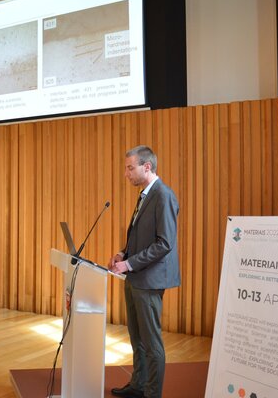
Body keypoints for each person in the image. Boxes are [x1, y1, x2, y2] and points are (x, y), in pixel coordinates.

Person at [108, 145, 180, 398]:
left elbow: (164, 243)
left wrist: (129, 265)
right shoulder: (145, 195)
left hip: (149, 280)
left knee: (151, 342)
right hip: (136, 277)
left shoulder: (163, 195)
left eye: (130, 168)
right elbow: (141, 237)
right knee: (136, 337)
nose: (126, 174)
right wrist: (123, 253)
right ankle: (138, 385)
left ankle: (152, 393)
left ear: (146, 167)